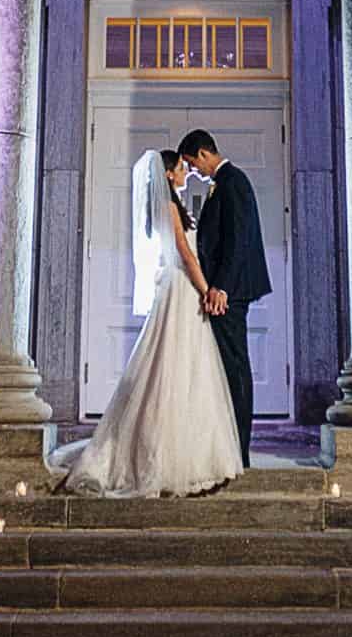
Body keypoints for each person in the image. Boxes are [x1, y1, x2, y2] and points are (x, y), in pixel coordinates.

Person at [59, 149, 243, 499]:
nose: (186, 172)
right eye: (181, 168)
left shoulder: (167, 205)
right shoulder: (168, 207)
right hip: (180, 289)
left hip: (177, 288)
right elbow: (185, 254)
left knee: (182, 368)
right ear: (168, 174)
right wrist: (207, 289)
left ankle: (192, 454)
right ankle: (165, 458)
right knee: (172, 369)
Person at [178, 127, 271, 470]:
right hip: (225, 289)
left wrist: (222, 288)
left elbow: (238, 239)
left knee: (235, 368)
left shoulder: (234, 182)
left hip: (231, 292)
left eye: (192, 163)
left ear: (204, 153)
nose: (194, 171)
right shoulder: (226, 182)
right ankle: (228, 446)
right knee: (228, 367)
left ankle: (239, 451)